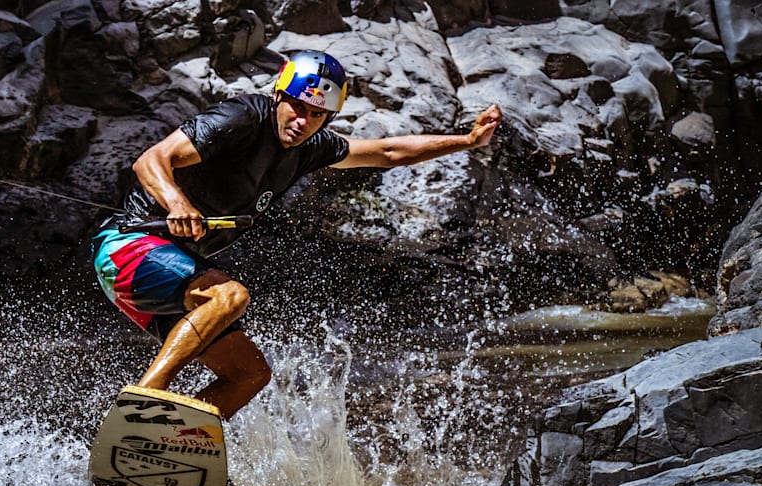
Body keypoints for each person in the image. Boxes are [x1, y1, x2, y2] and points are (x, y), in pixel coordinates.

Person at [92, 50, 501, 419]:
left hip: (173, 274)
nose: (303, 121)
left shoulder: (311, 147)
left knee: (249, 375)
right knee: (230, 296)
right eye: (298, 107)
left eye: (318, 115)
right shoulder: (242, 117)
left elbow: (388, 152)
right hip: (127, 247)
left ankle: (171, 441)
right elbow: (152, 159)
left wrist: (466, 141)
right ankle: (145, 402)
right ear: (279, 96)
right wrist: (177, 203)